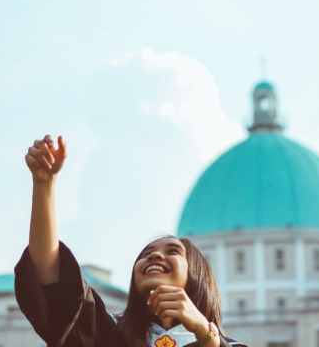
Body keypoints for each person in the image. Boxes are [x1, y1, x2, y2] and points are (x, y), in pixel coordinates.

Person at [14, 135, 248, 347]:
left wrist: (204, 333)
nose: (155, 256)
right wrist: (44, 185)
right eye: (146, 254)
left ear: (197, 276)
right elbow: (53, 279)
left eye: (173, 252)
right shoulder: (107, 334)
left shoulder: (225, 345)